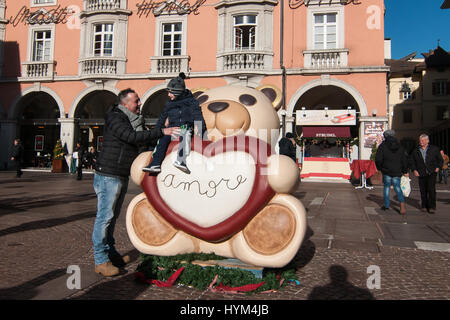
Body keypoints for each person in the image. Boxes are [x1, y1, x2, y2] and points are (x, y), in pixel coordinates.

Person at [92, 88, 180, 277]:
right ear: (125, 104)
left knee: (112, 217)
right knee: (104, 217)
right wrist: (161, 131)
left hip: (119, 173)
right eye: (136, 101)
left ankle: (111, 253)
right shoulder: (116, 117)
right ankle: (100, 259)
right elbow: (130, 137)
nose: (139, 103)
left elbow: (141, 142)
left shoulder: (133, 121)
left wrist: (162, 134)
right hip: (108, 174)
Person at [142, 72, 206, 174]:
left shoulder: (191, 102)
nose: (168, 95)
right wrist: (156, 132)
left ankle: (181, 161)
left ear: (177, 92)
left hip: (185, 126)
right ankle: (155, 163)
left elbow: (198, 117)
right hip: (172, 128)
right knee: (162, 140)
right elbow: (162, 119)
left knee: (185, 134)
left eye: (171, 92)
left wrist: (201, 134)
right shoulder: (169, 104)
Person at [375, 130, 409, 214]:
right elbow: (404, 159)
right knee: (397, 187)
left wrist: (379, 168)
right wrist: (405, 170)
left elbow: (378, 159)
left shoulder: (382, 146)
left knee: (386, 187)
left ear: (385, 136)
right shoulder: (400, 146)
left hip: (386, 170)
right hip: (397, 170)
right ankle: (402, 204)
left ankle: (386, 205)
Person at [410, 134, 443, 214]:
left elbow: (440, 160)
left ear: (427, 141)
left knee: (431, 189)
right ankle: (424, 205)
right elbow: (412, 161)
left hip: (431, 172)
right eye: (420, 140)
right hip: (421, 172)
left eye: (423, 140)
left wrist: (438, 167)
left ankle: (432, 206)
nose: (421, 142)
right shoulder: (416, 150)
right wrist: (414, 170)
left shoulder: (434, 149)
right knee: (423, 190)